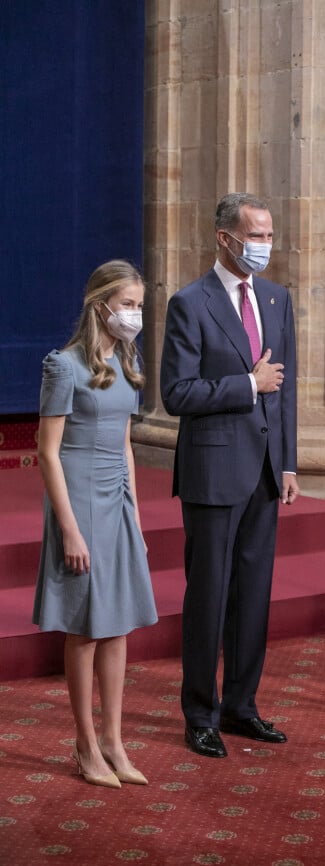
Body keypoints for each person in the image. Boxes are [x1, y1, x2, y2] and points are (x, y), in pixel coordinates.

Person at [160, 192, 299, 759]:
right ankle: (200, 713)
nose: (264, 245)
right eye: (255, 235)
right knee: (210, 597)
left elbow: (283, 388)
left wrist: (288, 462)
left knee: (253, 598)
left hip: (266, 472)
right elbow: (176, 393)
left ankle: (242, 707)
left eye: (268, 235)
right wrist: (247, 385)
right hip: (213, 472)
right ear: (225, 238)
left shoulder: (276, 298)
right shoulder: (189, 303)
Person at [33, 260, 158, 788]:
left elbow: (126, 444)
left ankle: (114, 740)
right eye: (127, 305)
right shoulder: (64, 366)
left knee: (118, 624)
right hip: (79, 502)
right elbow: (47, 452)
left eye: (139, 307)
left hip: (117, 502)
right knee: (86, 626)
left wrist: (135, 514)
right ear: (100, 304)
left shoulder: (128, 364)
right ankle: (85, 744)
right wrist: (69, 528)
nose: (134, 315)